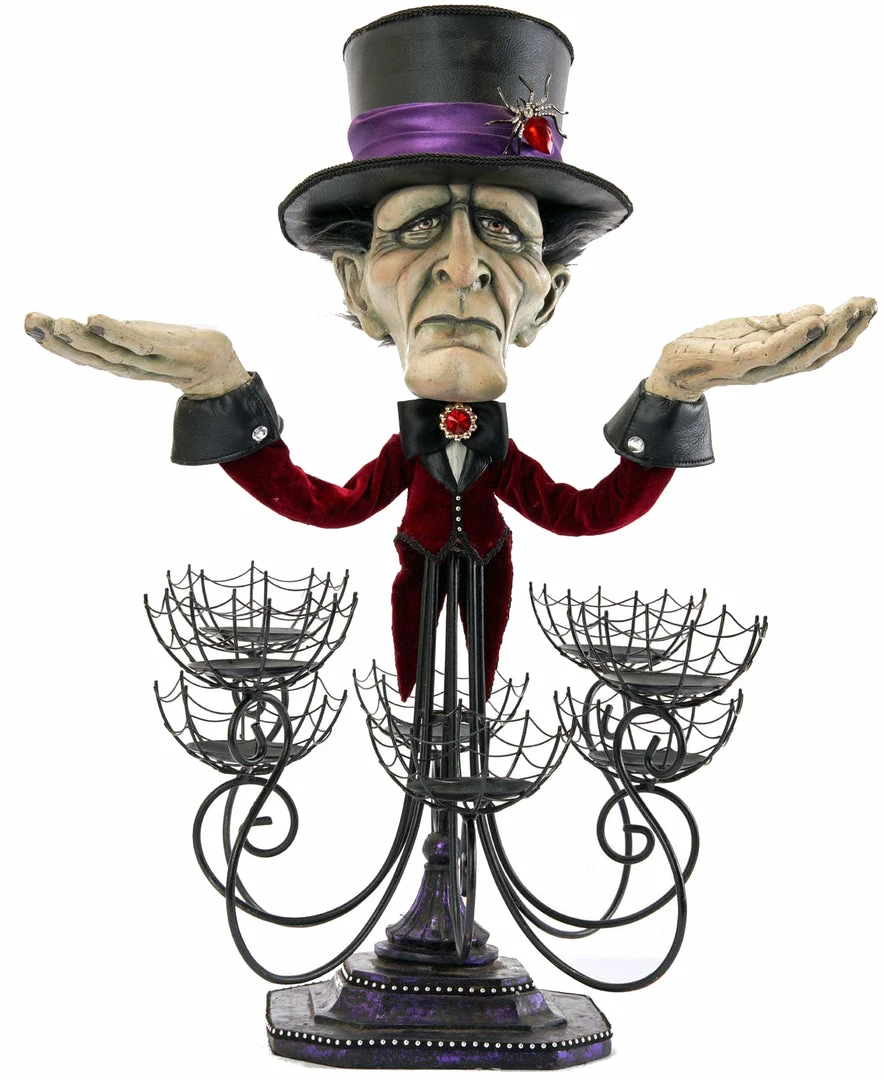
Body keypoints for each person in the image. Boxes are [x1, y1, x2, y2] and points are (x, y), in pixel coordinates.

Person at [22, 5, 875, 702]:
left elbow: (585, 514)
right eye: (419, 224)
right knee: (416, 674)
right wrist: (222, 392)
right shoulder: (409, 447)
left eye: (503, 228)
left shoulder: (502, 455)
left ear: (546, 301)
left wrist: (672, 393)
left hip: (491, 565)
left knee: (481, 672)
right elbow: (329, 506)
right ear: (360, 293)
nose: (462, 268)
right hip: (419, 567)